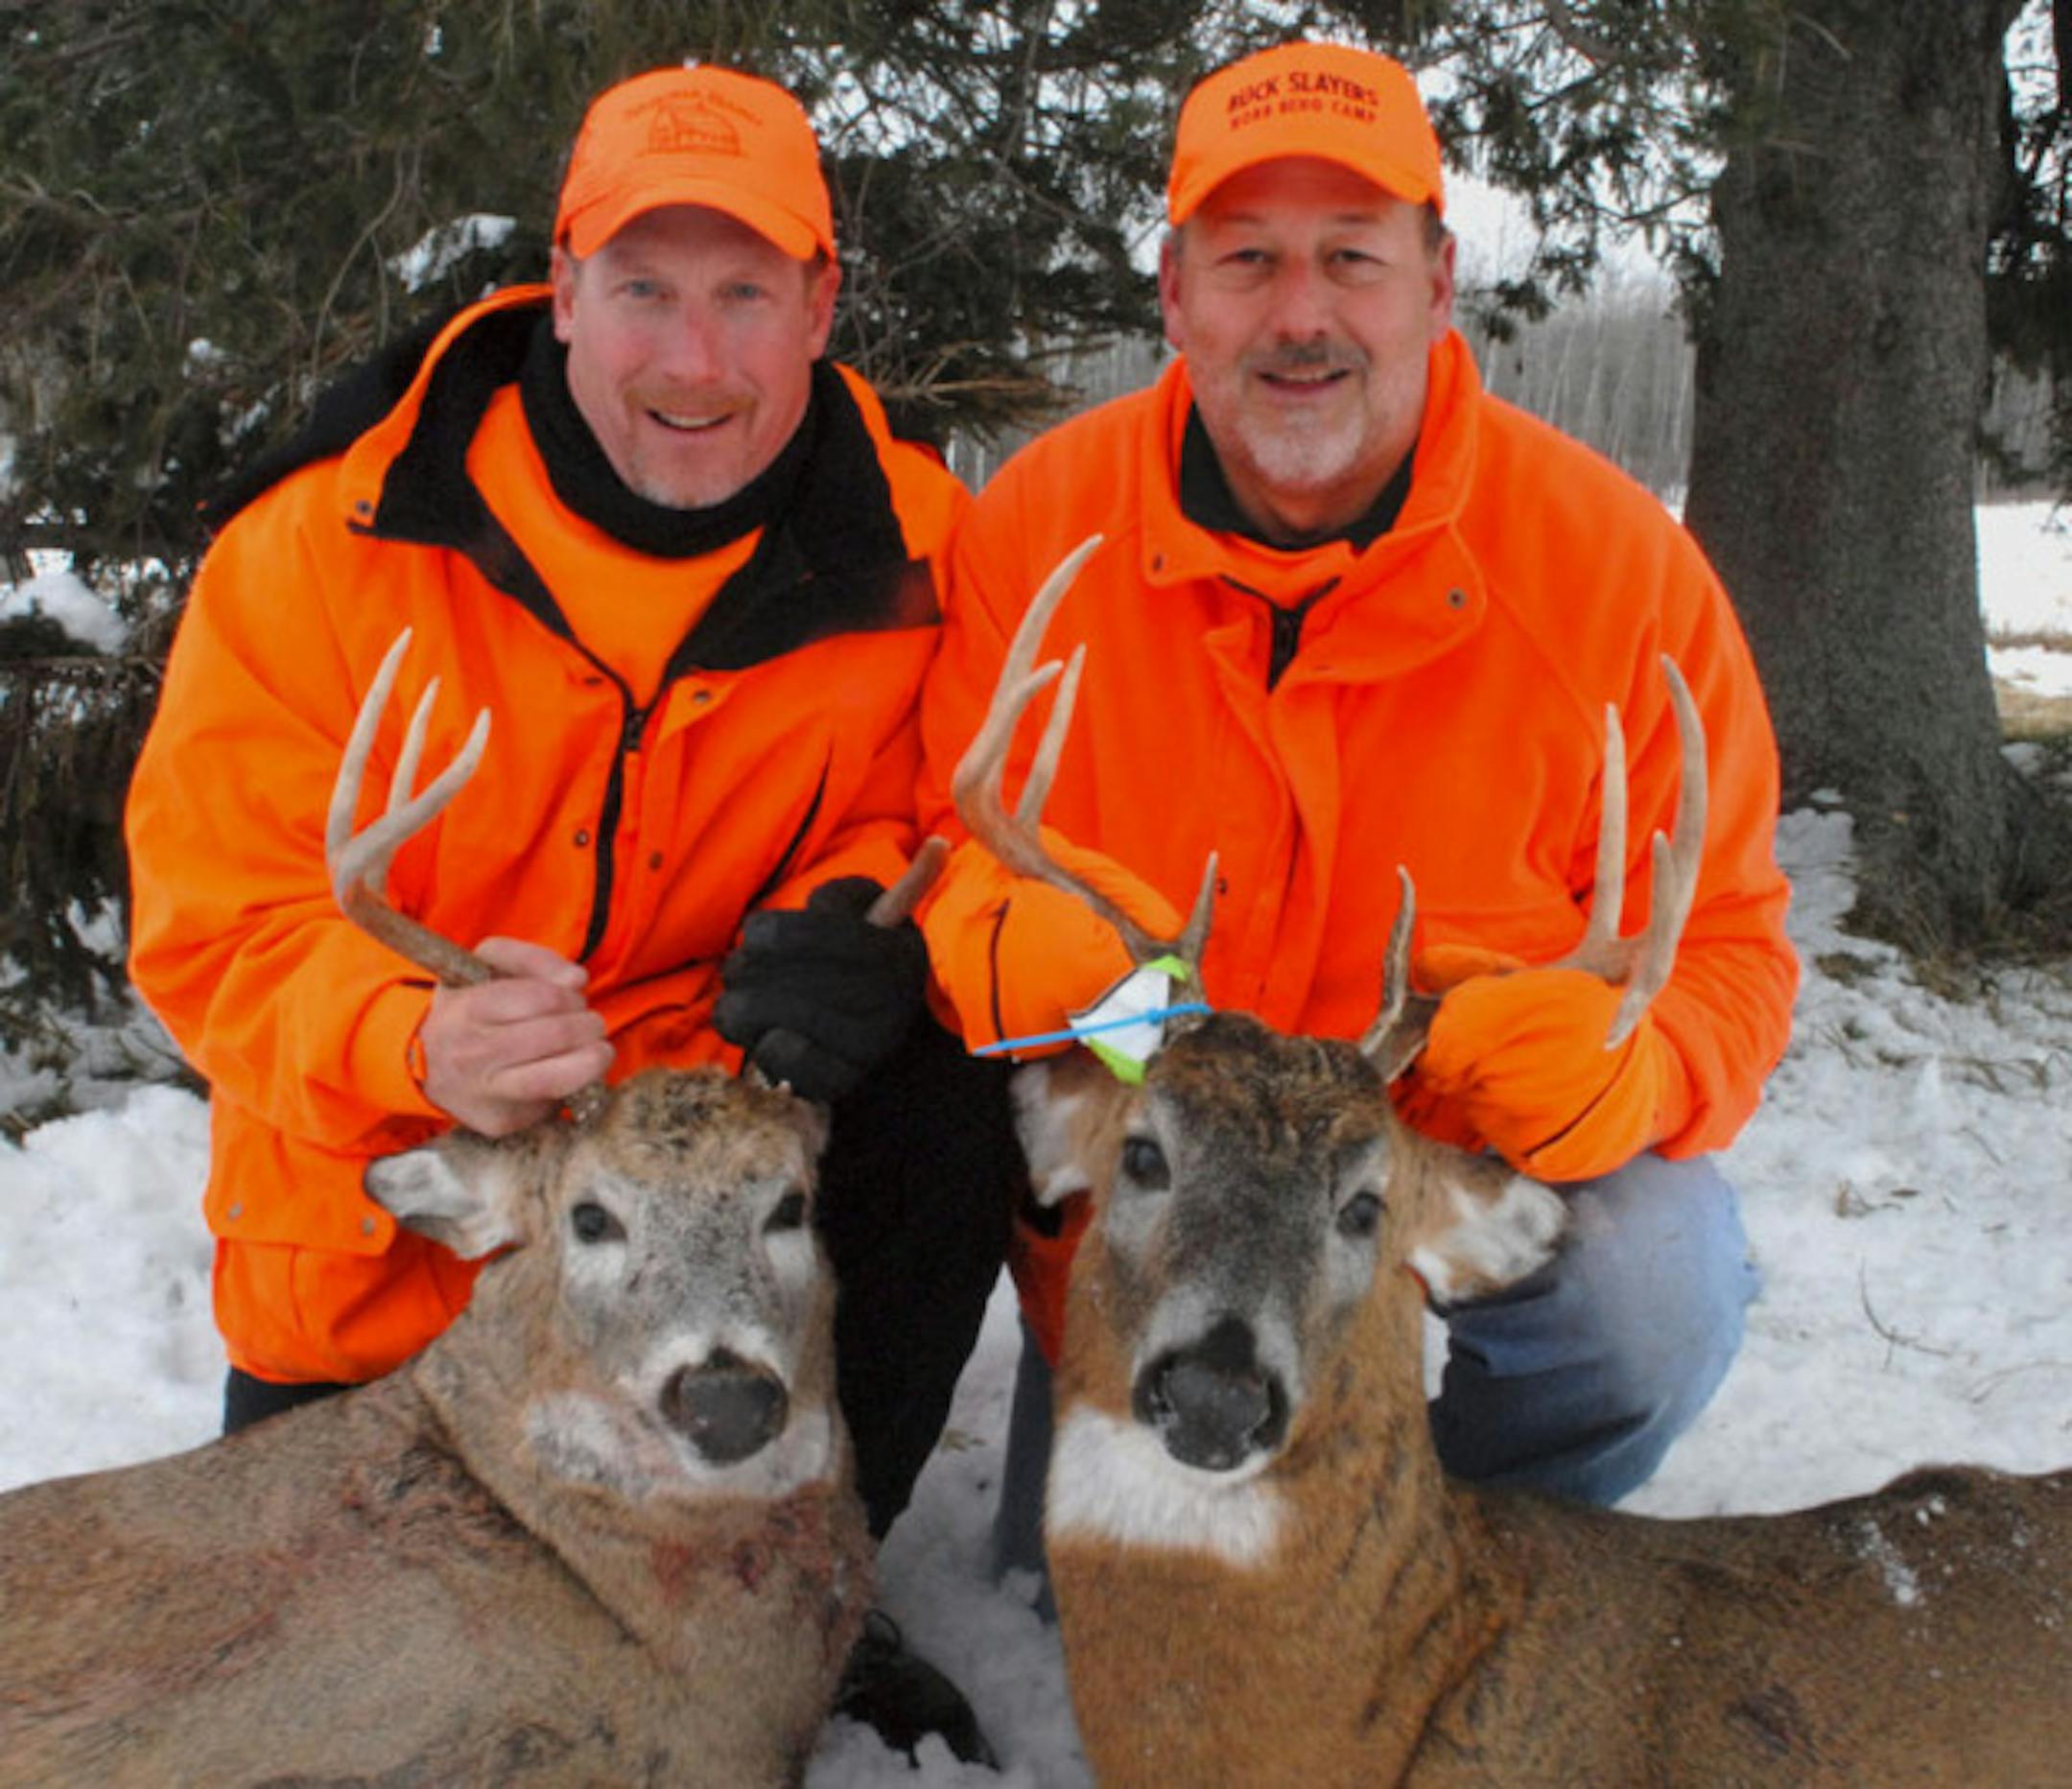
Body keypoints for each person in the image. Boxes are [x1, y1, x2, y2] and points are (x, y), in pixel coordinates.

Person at [126, 63, 1008, 1765]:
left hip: (712, 1166)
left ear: (822, 306)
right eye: (645, 288)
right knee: (328, 1682)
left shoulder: (918, 549)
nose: (695, 360)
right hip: (409, 1224)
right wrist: (410, 1034)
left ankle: (810, 1579)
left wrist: (868, 927)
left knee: (957, 1066)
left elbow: (972, 820)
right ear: (561, 285)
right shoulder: (328, 544)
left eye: (745, 294)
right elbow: (210, 919)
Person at [914, 40, 1799, 1589]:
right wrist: (1019, 955)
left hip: (1423, 1168)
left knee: (1654, 1283)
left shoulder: (1617, 573)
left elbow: (1729, 946)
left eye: (1352, 258)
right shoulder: (1041, 534)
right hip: (1158, 1164)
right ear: (1175, 294)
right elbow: (942, 854)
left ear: (1438, 283)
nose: (1301, 316)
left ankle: (1436, 1558)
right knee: (1088, 1609)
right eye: (1247, 260)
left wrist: (1629, 1073)